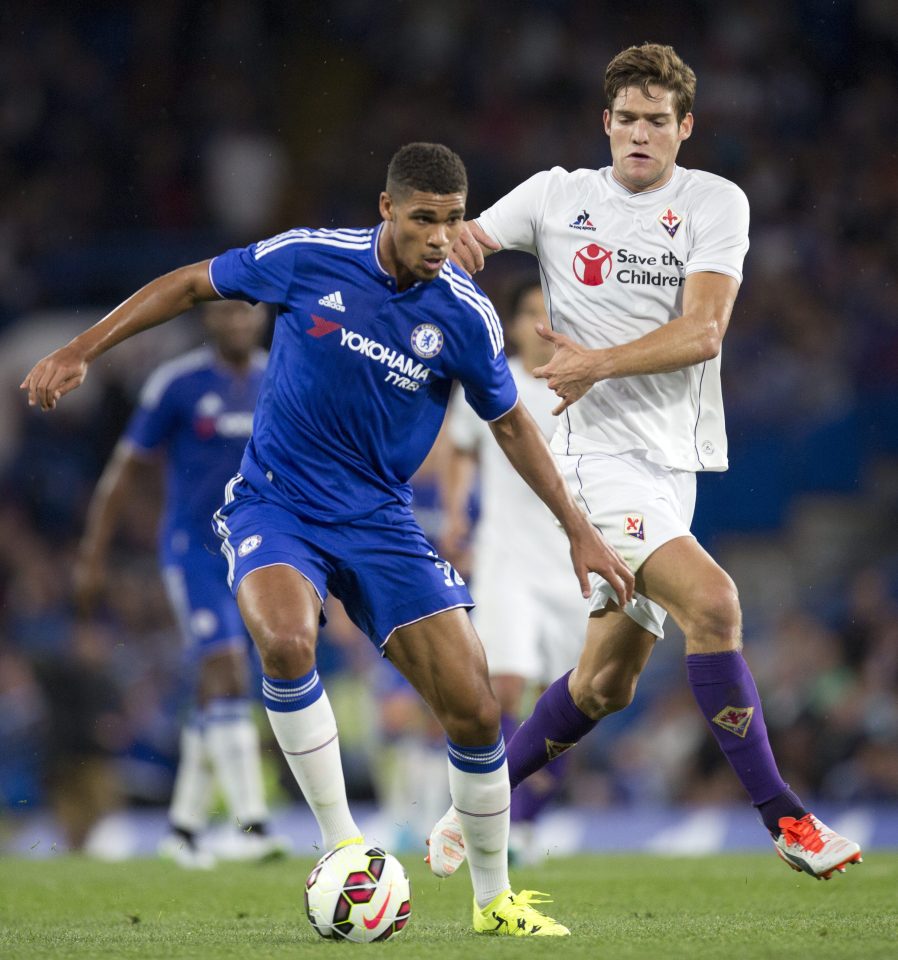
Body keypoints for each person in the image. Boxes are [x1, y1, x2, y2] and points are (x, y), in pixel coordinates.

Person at [22, 142, 634, 936]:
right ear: (388, 210)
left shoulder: (464, 313)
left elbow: (511, 425)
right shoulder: (311, 257)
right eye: (424, 220)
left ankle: (493, 901)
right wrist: (81, 348)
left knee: (478, 709)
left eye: (453, 221)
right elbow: (187, 284)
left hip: (381, 520)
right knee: (283, 641)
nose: (442, 239)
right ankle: (344, 844)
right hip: (277, 505)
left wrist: (578, 530)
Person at [427, 44, 862, 881]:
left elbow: (704, 331)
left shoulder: (712, 203)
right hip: (596, 459)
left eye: (656, 121)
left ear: (683, 128)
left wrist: (597, 360)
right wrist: (442, 267)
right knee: (717, 606)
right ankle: (788, 819)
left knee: (602, 688)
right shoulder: (558, 196)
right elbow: (464, 244)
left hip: (673, 465)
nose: (638, 133)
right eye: (625, 118)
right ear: (606, 122)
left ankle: (470, 810)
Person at [73, 299, 289, 868]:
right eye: (227, 314)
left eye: (247, 313)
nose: (238, 322)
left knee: (215, 687)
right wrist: (93, 552)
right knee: (228, 669)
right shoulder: (177, 384)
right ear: (207, 321)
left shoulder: (281, 376)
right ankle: (252, 825)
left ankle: (183, 828)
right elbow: (126, 468)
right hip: (191, 551)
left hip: (253, 550)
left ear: (261, 319)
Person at [438, 279, 586, 864]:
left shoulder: (587, 385)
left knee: (574, 697)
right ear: (515, 323)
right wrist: (455, 515)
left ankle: (526, 817)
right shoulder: (489, 377)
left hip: (573, 562)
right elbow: (461, 449)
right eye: (529, 312)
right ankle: (496, 817)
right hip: (505, 557)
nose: (540, 324)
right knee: (502, 684)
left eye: (551, 314)